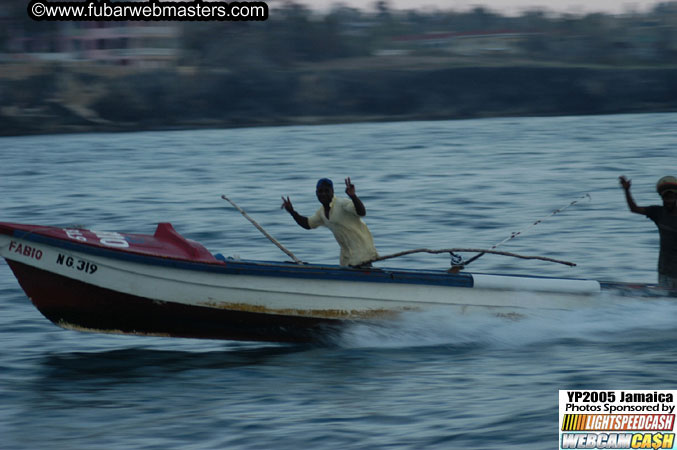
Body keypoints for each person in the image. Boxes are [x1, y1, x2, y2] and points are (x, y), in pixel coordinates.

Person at [281, 177, 379, 267]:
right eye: (320, 191)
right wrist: (292, 212)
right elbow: (307, 224)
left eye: (326, 191)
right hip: (347, 259)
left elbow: (362, 212)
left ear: (332, 192)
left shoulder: (342, 204)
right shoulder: (321, 213)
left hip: (363, 256)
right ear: (316, 193)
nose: (323, 194)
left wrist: (353, 196)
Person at [619, 175, 677, 288]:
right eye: (665, 198)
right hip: (664, 269)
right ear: (661, 197)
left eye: (671, 198)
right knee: (666, 299)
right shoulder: (658, 213)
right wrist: (627, 190)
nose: (668, 201)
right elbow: (634, 209)